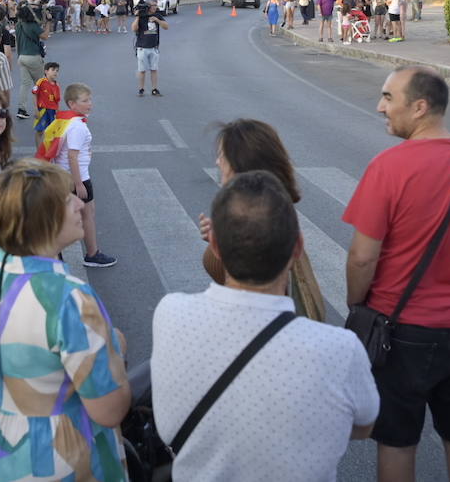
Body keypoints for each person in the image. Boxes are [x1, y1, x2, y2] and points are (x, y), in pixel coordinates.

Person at [343, 66, 450, 482]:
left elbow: (363, 258)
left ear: (419, 108)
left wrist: (357, 305)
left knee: (397, 442)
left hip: (403, 331)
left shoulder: (389, 166)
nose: (380, 107)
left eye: (387, 98)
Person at [155, 170, 378, 479]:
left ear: (215, 246)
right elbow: (363, 425)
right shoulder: (341, 348)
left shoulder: (170, 312)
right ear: (297, 248)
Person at [0, 159, 131, 480]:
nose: (79, 203)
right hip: (59, 452)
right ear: (42, 220)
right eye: (67, 200)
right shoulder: (70, 297)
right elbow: (108, 410)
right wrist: (115, 349)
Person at [199, 119, 325, 320]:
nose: (217, 162)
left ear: (239, 163)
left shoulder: (261, 218)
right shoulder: (269, 210)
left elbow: (254, 290)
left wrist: (223, 242)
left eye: (222, 156)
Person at [43, 83, 116, 269]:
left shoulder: (68, 122)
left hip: (67, 176)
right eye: (85, 101)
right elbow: (72, 155)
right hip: (77, 178)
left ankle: (56, 255)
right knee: (86, 215)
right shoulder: (77, 127)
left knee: (77, 215)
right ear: (72, 104)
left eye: (90, 99)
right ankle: (92, 254)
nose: (90, 104)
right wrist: (79, 184)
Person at [133, 0, 169, 97]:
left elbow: (166, 26)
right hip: (142, 47)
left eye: (156, 5)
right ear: (148, 6)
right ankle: (141, 89)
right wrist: (137, 17)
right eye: (153, 5)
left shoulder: (157, 15)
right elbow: (134, 29)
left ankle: (154, 89)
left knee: (154, 69)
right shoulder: (141, 16)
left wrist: (157, 20)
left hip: (154, 47)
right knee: (142, 70)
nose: (155, 7)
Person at [13, 5, 44, 120]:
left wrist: (18, 55)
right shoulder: (33, 25)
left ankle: (22, 109)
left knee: (24, 84)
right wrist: (49, 24)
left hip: (22, 57)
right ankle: (42, 108)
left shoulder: (18, 25)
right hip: (33, 56)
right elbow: (44, 36)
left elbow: (17, 42)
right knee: (40, 83)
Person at [32, 61, 60, 132]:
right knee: (40, 130)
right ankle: (39, 144)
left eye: (57, 70)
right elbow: (34, 94)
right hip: (43, 109)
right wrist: (35, 108)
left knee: (52, 130)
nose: (55, 72)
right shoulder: (40, 82)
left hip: (52, 110)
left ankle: (48, 143)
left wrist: (57, 110)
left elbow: (56, 100)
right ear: (46, 71)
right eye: (53, 70)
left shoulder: (57, 85)